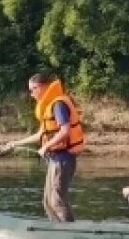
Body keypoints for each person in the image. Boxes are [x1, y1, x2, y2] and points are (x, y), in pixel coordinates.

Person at [6, 72, 85, 222]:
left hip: (63, 158)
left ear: (42, 87)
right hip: (55, 159)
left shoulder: (58, 105)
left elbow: (65, 131)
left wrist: (46, 146)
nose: (31, 94)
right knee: (48, 202)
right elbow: (40, 135)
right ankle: (56, 229)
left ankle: (69, 231)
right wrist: (16, 143)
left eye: (33, 89)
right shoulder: (48, 106)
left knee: (56, 201)